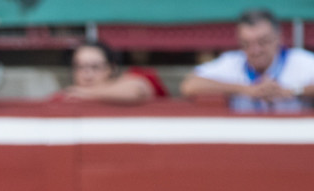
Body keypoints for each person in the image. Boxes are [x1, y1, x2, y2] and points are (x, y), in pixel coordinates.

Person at [180, 8, 314, 112]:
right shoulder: (233, 62)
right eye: (246, 44)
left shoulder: (300, 61)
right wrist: (246, 90)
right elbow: (190, 85)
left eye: (263, 42)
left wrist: (292, 91)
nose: (255, 50)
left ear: (279, 38)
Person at [56, 40, 153, 105]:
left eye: (95, 67)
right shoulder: (66, 96)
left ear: (112, 68)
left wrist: (86, 92)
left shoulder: (124, 85)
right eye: (80, 67)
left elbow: (138, 89)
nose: (87, 74)